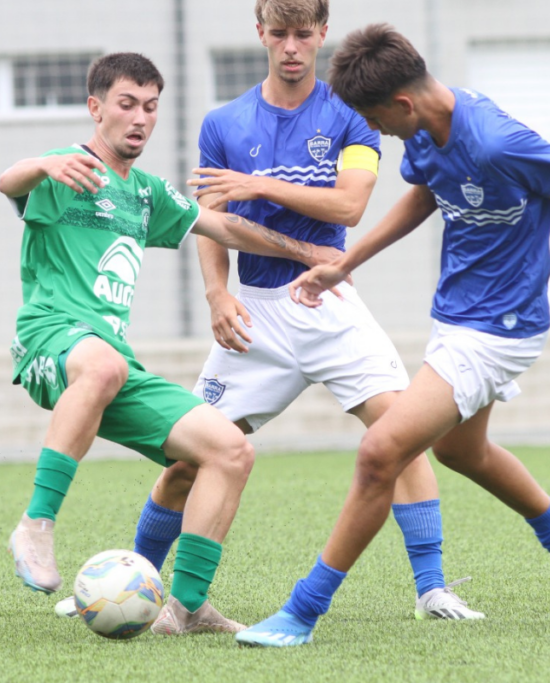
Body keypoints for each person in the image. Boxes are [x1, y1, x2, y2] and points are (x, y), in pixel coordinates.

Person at [237, 23, 550, 646]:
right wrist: (347, 263)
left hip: (503, 327)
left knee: (380, 453)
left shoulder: (498, 141)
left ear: (402, 103)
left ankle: (301, 612)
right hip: (455, 316)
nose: (381, 133)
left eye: (378, 120)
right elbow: (425, 193)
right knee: (459, 452)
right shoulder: (425, 128)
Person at [82, 0, 481, 624]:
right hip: (256, 314)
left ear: (322, 35)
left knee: (402, 436)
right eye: (280, 34)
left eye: (304, 34)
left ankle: (432, 589)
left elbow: (350, 207)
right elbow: (207, 222)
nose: (291, 46)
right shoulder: (224, 123)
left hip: (328, 302)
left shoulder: (351, 112)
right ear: (260, 34)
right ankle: (133, 582)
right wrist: (218, 293)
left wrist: (258, 184)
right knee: (189, 459)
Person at [0, 52, 342, 635]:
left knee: (229, 450)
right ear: (96, 108)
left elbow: (226, 226)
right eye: (126, 104)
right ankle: (36, 524)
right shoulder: (66, 170)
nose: (139, 118)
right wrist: (41, 166)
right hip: (50, 342)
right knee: (104, 366)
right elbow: (9, 181)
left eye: (150, 107)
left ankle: (185, 606)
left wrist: (313, 254)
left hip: (110, 362)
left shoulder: (146, 193)